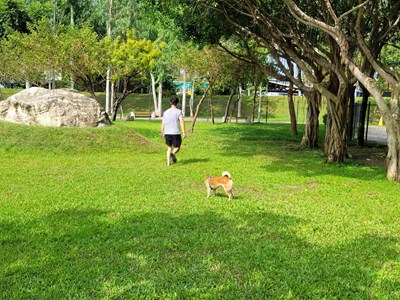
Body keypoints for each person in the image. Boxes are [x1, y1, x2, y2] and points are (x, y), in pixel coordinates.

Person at [161, 97, 187, 166]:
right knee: (177, 147)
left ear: (170, 103)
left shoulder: (165, 112)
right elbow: (181, 121)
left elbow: (163, 123)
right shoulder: (178, 111)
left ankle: (168, 163)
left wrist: (162, 132)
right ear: (177, 103)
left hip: (167, 132)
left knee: (169, 147)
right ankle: (172, 154)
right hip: (175, 132)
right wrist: (184, 132)